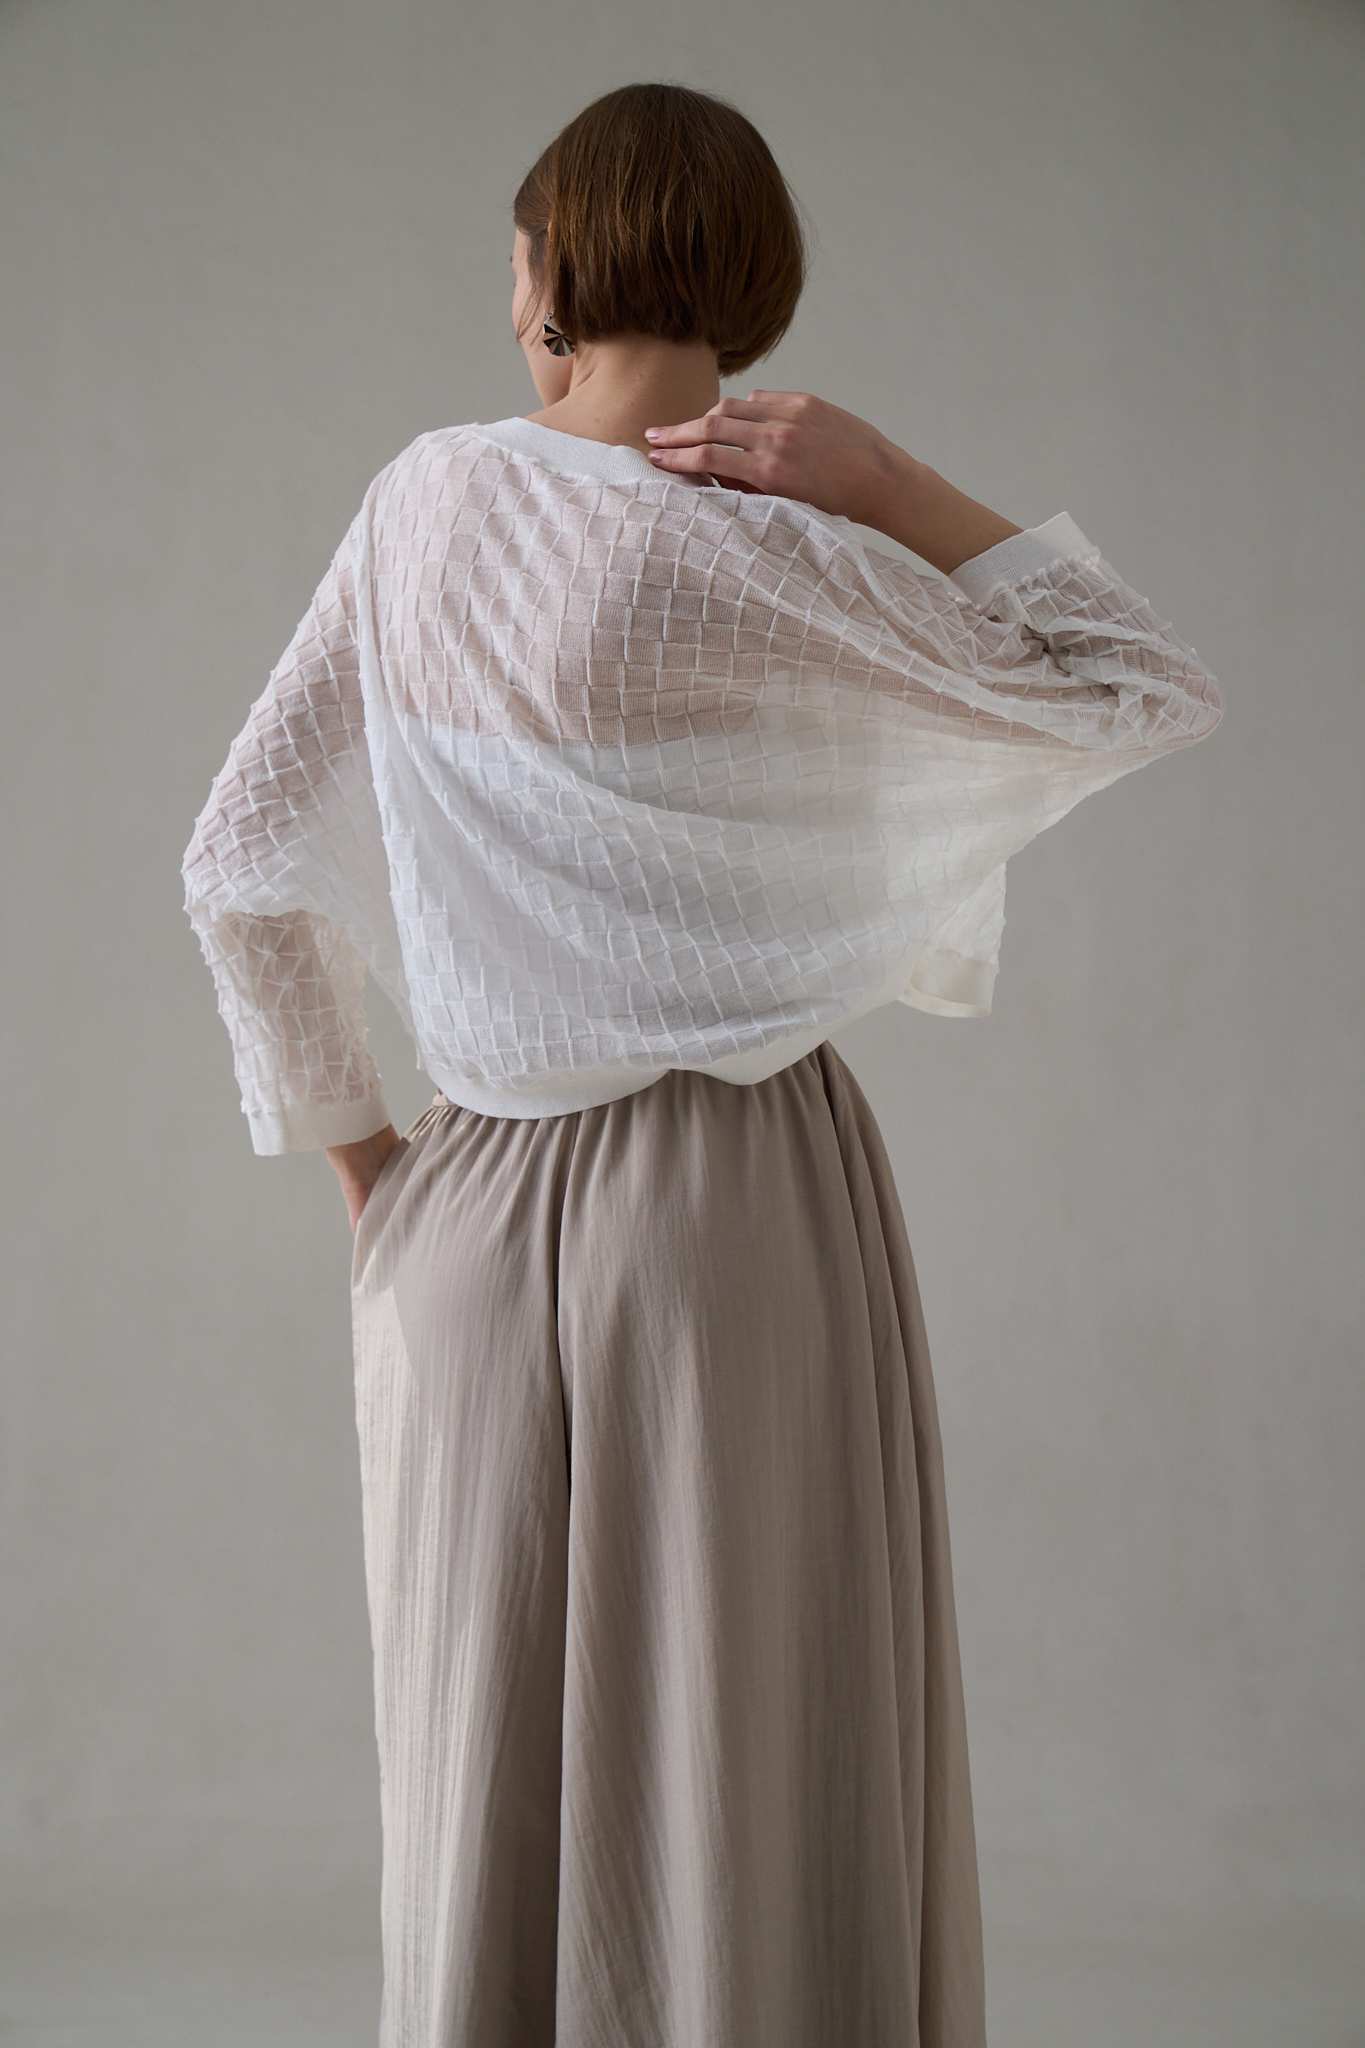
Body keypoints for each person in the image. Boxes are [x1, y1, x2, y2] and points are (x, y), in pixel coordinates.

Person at [182, 81, 1222, 2048]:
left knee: (477, 1766)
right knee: (742, 1758)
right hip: (740, 1204)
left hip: (464, 1212)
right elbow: (1142, 683)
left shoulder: (421, 504)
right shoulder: (776, 551)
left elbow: (235, 858)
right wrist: (887, 477)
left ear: (548, 272)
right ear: (747, 281)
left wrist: (369, 1167)